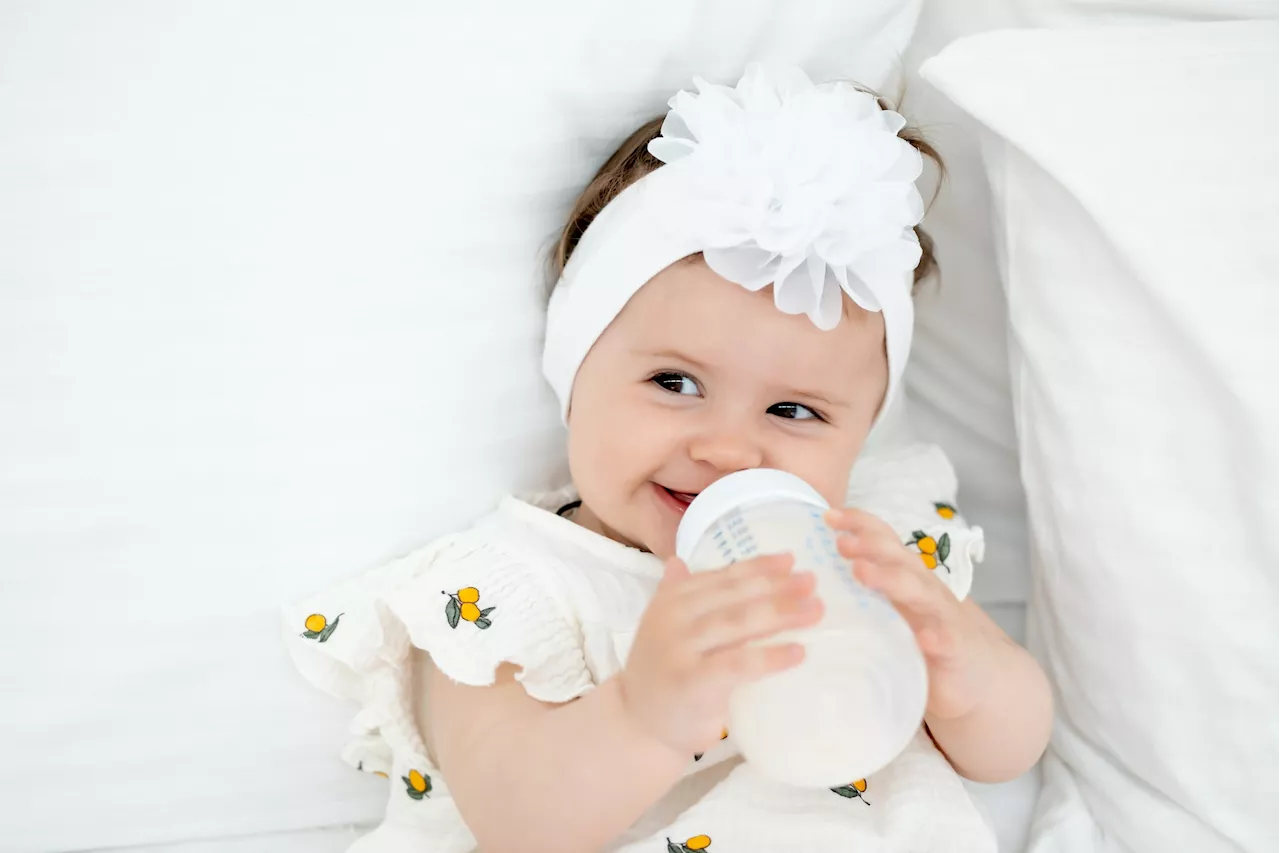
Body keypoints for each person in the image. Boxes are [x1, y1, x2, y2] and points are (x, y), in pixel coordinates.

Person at [286, 63, 1052, 853]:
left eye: (794, 410)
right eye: (675, 382)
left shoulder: (875, 550)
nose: (726, 447)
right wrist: (641, 714)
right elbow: (516, 821)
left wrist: (966, 664)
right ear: (574, 376)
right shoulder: (509, 593)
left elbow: (1005, 754)